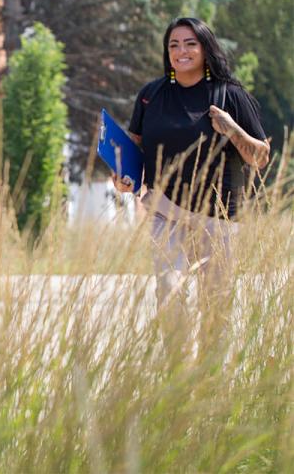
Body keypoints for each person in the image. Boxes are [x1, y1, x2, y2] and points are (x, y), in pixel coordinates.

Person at [113, 17, 270, 350]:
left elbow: (260, 156)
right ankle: (177, 376)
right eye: (173, 44)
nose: (180, 51)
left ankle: (211, 382)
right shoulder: (150, 95)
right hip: (164, 210)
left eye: (189, 44)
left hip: (218, 215)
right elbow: (135, 146)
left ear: (205, 48)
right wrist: (124, 176)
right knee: (168, 291)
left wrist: (232, 130)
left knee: (216, 301)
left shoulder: (230, 95)